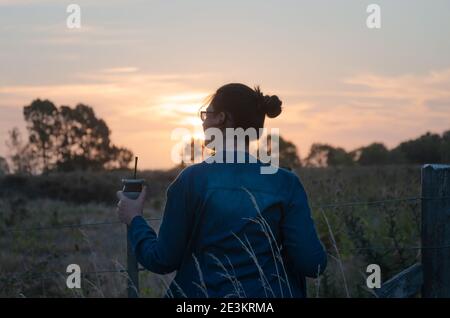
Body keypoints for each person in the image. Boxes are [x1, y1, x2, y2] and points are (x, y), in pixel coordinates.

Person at [116, 83, 327, 298]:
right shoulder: (286, 182)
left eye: (206, 115)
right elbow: (313, 264)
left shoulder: (191, 180)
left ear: (221, 118)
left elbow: (162, 260)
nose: (204, 122)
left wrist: (134, 219)